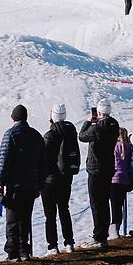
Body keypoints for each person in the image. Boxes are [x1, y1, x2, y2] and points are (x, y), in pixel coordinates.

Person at [0, 104, 45, 260]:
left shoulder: (10, 134)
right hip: (31, 185)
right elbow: (42, 163)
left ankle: (13, 252)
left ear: (13, 118)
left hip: (14, 185)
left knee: (12, 219)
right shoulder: (36, 136)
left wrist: (0, 182)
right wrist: (40, 185)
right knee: (25, 218)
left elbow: (3, 161)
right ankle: (24, 250)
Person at [78, 99, 119, 249]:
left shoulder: (98, 128)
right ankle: (104, 235)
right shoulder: (114, 124)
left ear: (100, 112)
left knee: (96, 203)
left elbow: (82, 136)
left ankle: (99, 236)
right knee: (104, 202)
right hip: (108, 167)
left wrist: (89, 121)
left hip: (96, 169)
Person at [41, 104, 78, 254]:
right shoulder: (71, 131)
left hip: (50, 180)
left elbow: (44, 160)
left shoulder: (49, 135)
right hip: (66, 177)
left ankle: (53, 245)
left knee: (50, 214)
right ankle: (69, 242)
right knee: (64, 209)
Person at [110, 127, 133, 238]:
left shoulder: (114, 147)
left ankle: (114, 230)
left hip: (114, 179)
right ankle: (119, 228)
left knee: (115, 206)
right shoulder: (129, 147)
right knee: (120, 205)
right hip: (125, 179)